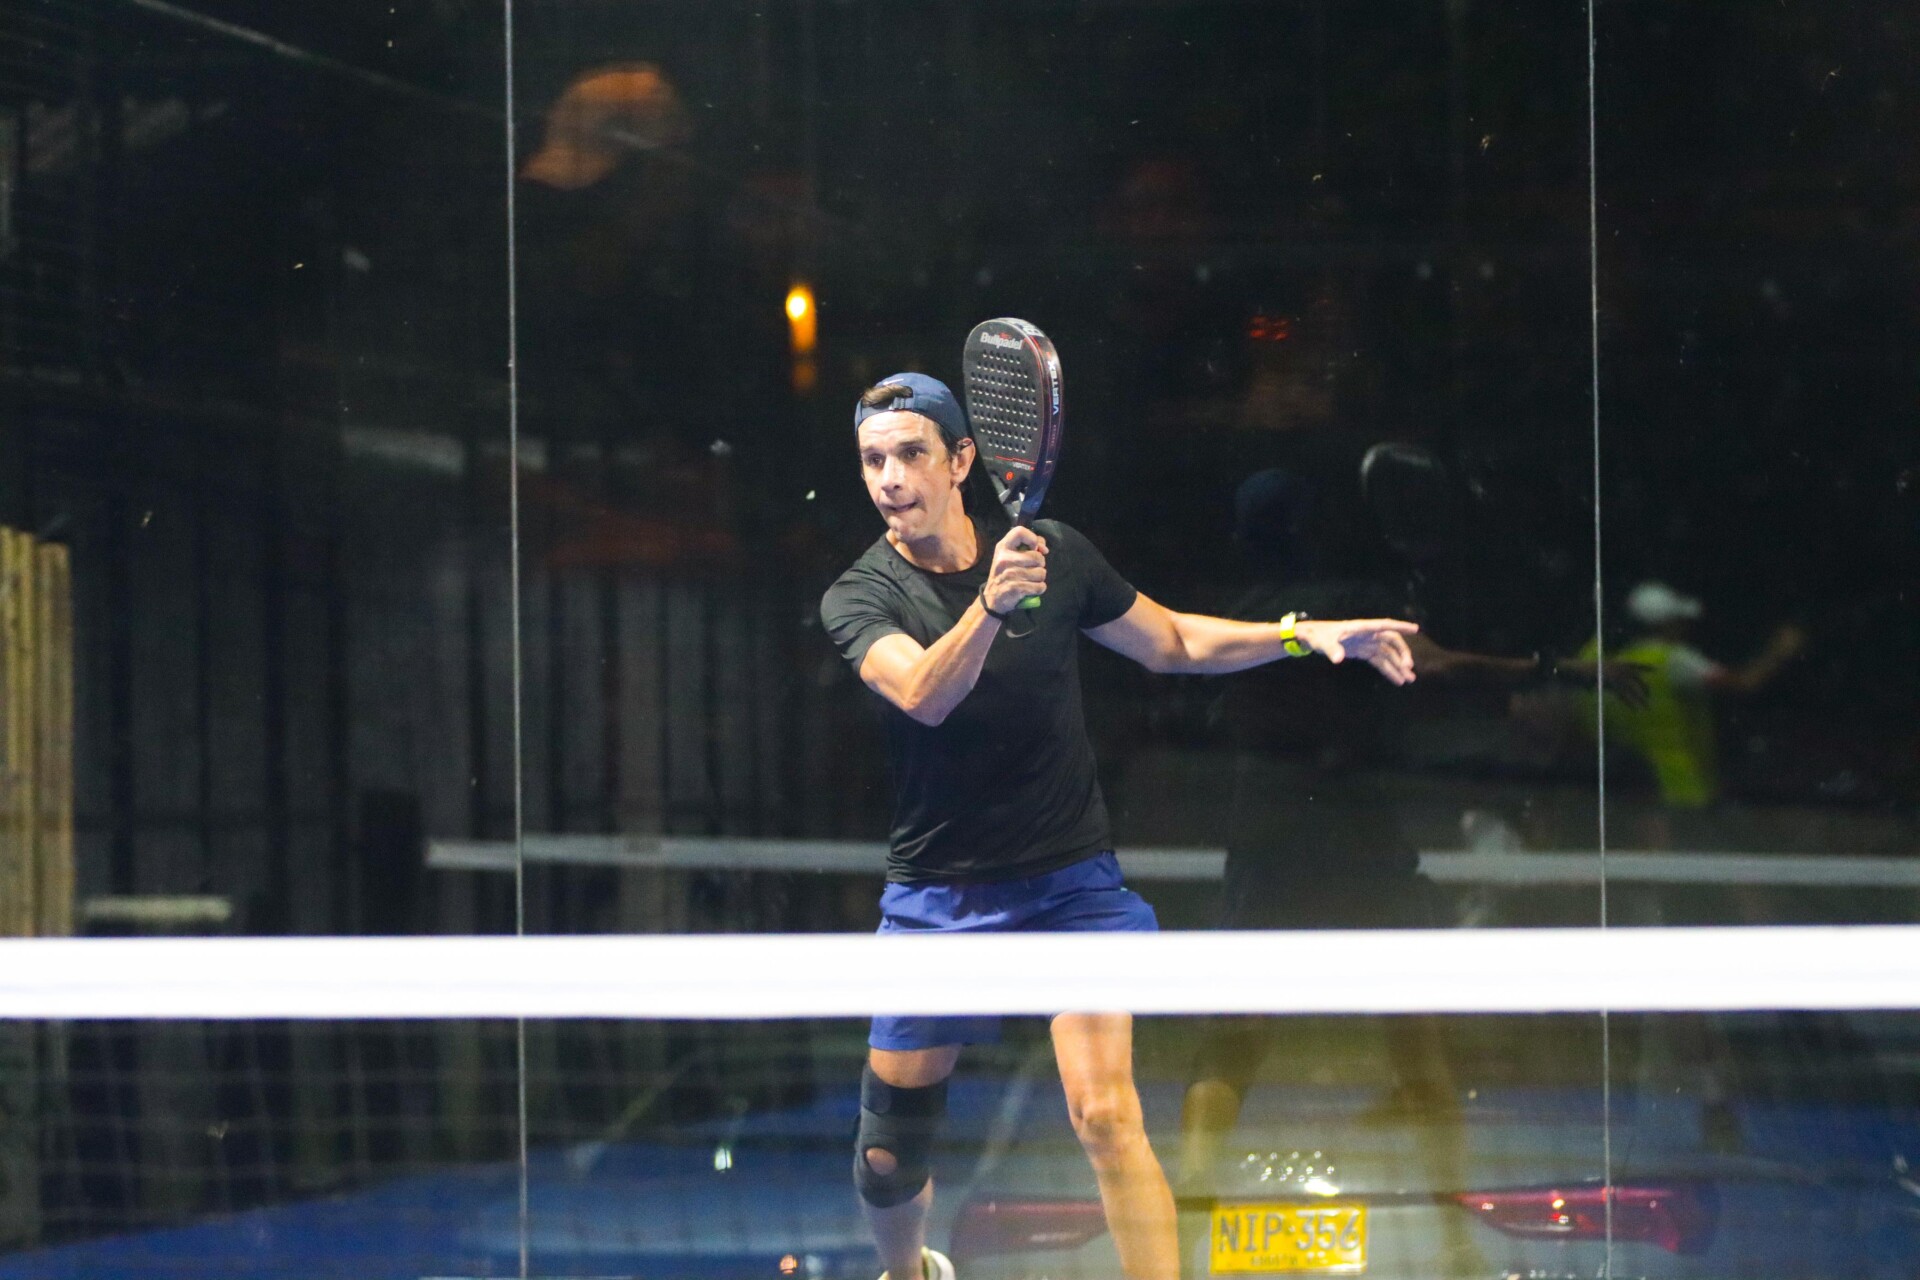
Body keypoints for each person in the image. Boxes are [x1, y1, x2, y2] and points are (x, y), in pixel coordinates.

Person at [819, 374, 1420, 1280]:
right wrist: (990, 606)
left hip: (1071, 888)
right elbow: (923, 695)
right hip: (940, 896)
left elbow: (1173, 642)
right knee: (887, 1153)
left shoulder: (1054, 555)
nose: (891, 478)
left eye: (910, 454)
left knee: (1106, 1117)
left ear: (962, 460)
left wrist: (1303, 633)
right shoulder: (859, 595)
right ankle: (910, 1274)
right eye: (873, 461)